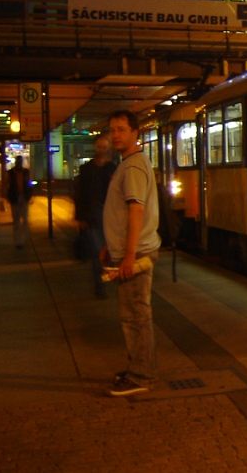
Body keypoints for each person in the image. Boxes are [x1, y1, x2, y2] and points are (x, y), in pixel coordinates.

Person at [100, 109, 161, 397]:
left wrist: (127, 255)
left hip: (136, 254)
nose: (115, 135)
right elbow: (122, 213)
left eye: (121, 129)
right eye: (112, 130)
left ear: (135, 133)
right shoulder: (129, 163)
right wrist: (110, 245)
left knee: (136, 317)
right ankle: (138, 368)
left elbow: (136, 211)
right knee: (135, 315)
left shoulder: (133, 166)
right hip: (130, 251)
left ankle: (142, 376)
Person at [75, 134, 117, 298]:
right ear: (95, 148)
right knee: (96, 251)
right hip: (92, 215)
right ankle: (100, 285)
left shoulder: (113, 169)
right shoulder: (86, 169)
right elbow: (80, 194)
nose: (101, 150)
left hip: (110, 216)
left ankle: (107, 277)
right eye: (99, 147)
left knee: (111, 250)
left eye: (104, 147)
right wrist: (80, 217)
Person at [7, 156, 32, 248]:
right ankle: (18, 241)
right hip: (15, 197)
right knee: (16, 219)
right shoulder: (11, 173)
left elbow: (29, 183)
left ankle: (22, 239)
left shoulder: (26, 172)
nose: (19, 164)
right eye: (18, 162)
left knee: (24, 219)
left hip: (23, 197)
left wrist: (30, 193)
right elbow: (7, 184)